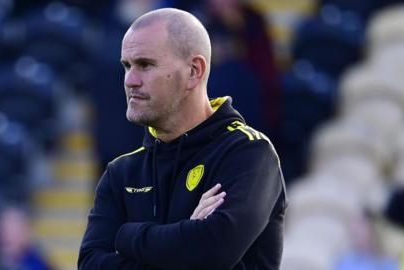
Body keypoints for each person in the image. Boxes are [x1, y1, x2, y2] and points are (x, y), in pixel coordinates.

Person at [78, 7, 287, 270]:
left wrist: (126, 236)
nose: (130, 80)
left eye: (145, 65)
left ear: (194, 71)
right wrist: (187, 235)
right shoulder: (121, 173)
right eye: (126, 66)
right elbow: (91, 265)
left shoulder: (249, 153)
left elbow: (214, 252)